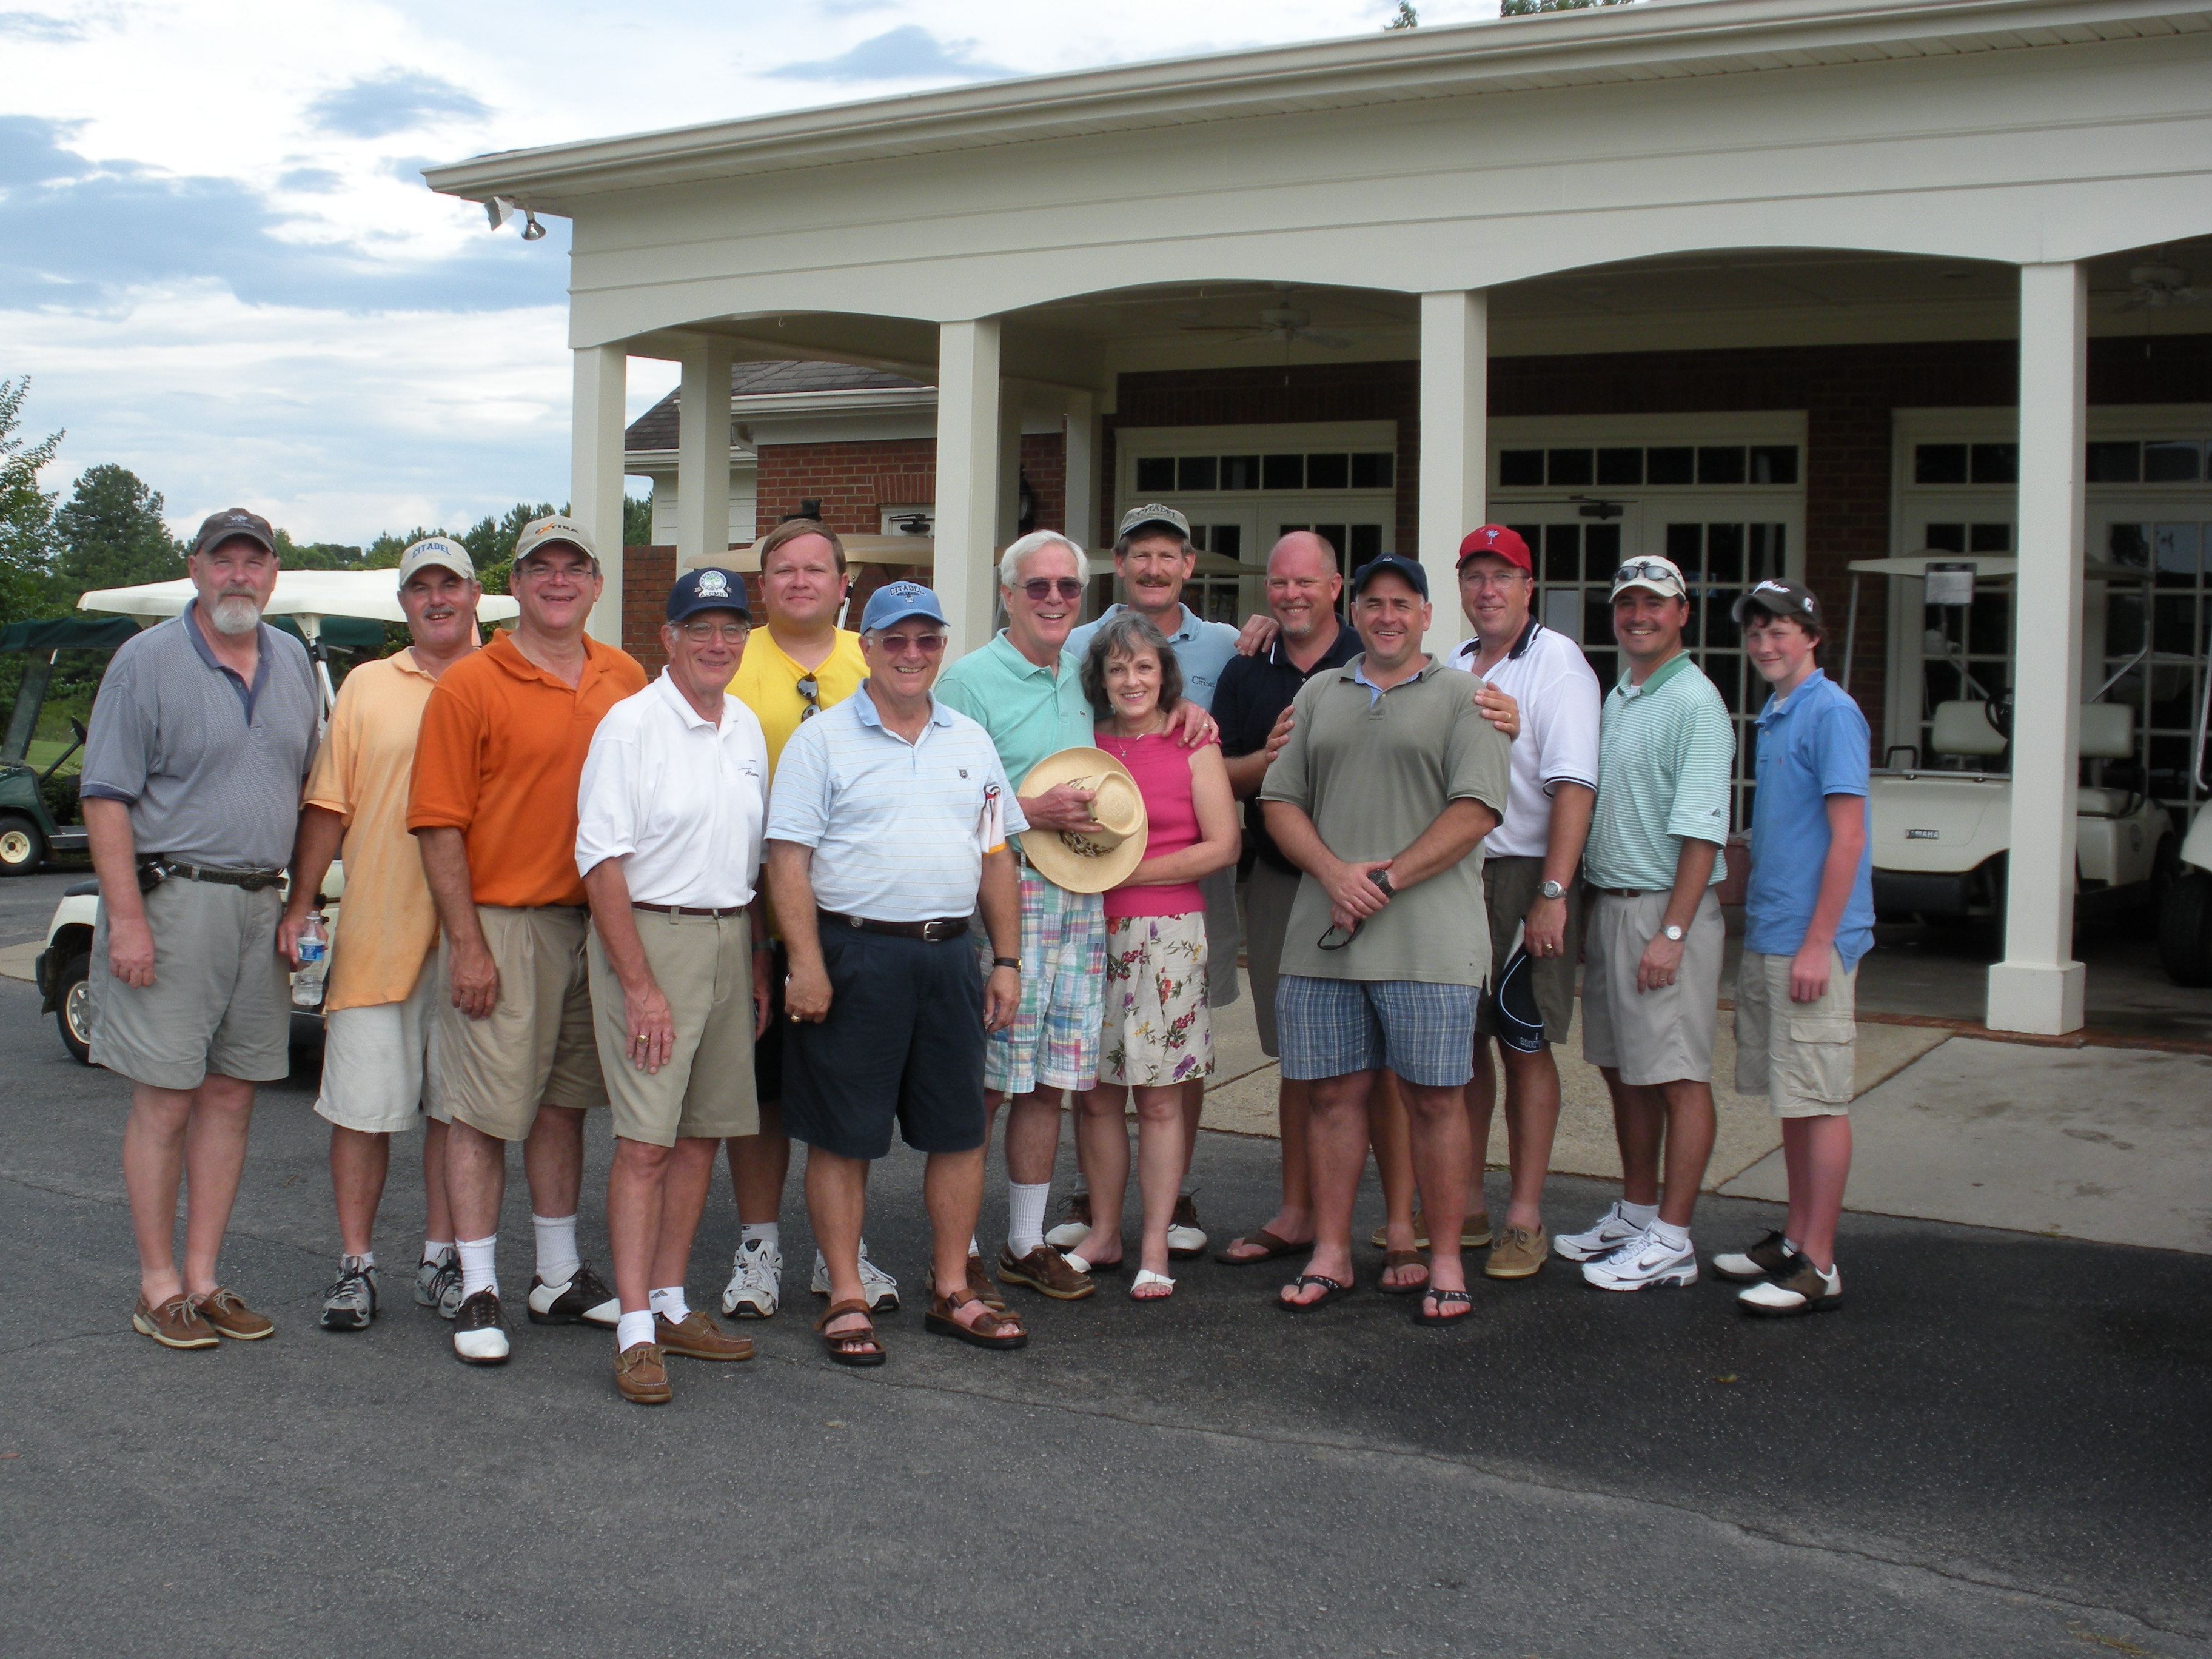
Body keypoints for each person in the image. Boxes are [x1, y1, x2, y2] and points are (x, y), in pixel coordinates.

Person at [936, 530, 1212, 1303]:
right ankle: (957, 1252)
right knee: (988, 1083)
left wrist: (1186, 710)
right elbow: (938, 799)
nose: (1055, 599)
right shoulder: (969, 682)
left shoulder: (1080, 678)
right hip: (1005, 899)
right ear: (1007, 595)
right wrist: (1030, 809)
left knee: (1048, 1082)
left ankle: (1025, 1242)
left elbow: (1140, 707)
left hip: (1081, 901)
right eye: (1038, 586)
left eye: (1068, 588)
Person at [765, 581, 1031, 1365]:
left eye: (928, 640)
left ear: (941, 648)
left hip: (949, 957)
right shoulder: (820, 741)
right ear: (869, 647)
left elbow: (996, 857)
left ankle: (952, 1288)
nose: (912, 655)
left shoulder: (970, 742)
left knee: (959, 1131)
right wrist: (806, 964)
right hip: (855, 956)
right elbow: (787, 861)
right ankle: (846, 1295)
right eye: (896, 640)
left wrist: (1006, 960)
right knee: (841, 1136)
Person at [408, 515, 646, 1364]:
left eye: (573, 567)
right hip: (504, 922)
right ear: (514, 585)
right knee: (481, 1111)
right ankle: (477, 1285)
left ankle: (556, 1275)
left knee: (563, 1103)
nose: (557, 581)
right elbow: (438, 825)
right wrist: (467, 943)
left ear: (596, 583)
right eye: (540, 567)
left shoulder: (625, 676)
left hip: (598, 922)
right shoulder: (471, 683)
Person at [82, 508, 319, 1349]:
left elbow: (308, 795)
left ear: (273, 575)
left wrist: (301, 905)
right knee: (166, 1099)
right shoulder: (145, 662)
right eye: (224, 561)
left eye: (254, 562)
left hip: (261, 904)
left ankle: (205, 1279)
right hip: (173, 901)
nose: (239, 577)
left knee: (230, 1096)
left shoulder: (292, 662)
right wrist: (127, 921)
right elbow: (105, 798)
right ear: (195, 569)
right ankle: (158, 1287)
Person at [1259, 555, 1510, 1326]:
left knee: (1436, 1102)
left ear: (1428, 615)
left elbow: (1477, 809)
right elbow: (1279, 800)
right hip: (1324, 938)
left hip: (1431, 944)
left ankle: (1445, 1260)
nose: (1388, 616)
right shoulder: (1317, 694)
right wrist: (1335, 876)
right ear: (1355, 612)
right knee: (1332, 1098)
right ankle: (1331, 1253)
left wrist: (1384, 881)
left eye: (1403, 604)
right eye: (1374, 603)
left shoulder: (1469, 698)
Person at [577, 569, 770, 1404]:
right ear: (669, 638)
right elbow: (600, 863)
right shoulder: (631, 726)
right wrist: (641, 986)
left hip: (728, 936)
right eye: (701, 628)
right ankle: (633, 1330)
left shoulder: (747, 726)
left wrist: (755, 957)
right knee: (647, 1144)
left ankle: (669, 1302)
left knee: (699, 1138)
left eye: (732, 628)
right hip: (651, 938)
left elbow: (750, 859)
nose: (718, 643)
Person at [278, 537, 481, 1332]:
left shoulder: (503, 676)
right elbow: (328, 805)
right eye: (420, 587)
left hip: (478, 940)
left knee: (457, 1113)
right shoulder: (366, 685)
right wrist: (301, 905)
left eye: (449, 584)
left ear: (474, 594)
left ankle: (442, 1257)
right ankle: (356, 1265)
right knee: (362, 1111)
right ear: (404, 603)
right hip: (378, 934)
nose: (436, 598)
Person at [1209, 532, 1420, 1288]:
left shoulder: (1376, 655)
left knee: (1388, 1066)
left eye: (1307, 582)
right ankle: (1297, 1212)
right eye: (1280, 583)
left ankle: (1402, 1228)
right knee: (1304, 1060)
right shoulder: (1246, 668)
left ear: (1337, 590)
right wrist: (1267, 760)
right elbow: (1220, 777)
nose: (1292, 595)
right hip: (1283, 882)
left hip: (1380, 886)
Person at [718, 518, 900, 1322]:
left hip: (858, 917)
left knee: (842, 1087)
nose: (799, 581)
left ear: (843, 583)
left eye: (815, 569)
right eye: (783, 570)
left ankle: (840, 1248)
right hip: (750, 908)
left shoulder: (880, 656)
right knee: (759, 1092)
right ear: (763, 587)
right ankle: (758, 1246)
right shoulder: (730, 658)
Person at [1061, 503, 1250, 1258]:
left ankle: (1157, 1242)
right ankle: (1106, 1231)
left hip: (1169, 932)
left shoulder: (1194, 735)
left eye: (1145, 667)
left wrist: (1126, 869)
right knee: (1096, 1092)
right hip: (1090, 931)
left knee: (1164, 1093)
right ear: (1099, 676)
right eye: (1118, 668)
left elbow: (1224, 844)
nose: (1131, 678)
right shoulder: (1085, 741)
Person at [1555, 554, 1735, 1292]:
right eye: (1628, 603)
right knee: (1624, 1068)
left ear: (1682, 613)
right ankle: (1636, 1213)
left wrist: (1673, 933)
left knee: (1678, 1076)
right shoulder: (1622, 694)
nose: (1639, 616)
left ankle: (1673, 1240)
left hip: (1665, 912)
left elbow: (1703, 832)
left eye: (1655, 604)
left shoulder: (1695, 702)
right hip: (1613, 905)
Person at [1443, 526, 1601, 1279]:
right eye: (1475, 576)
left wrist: (1553, 894)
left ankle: (1525, 1218)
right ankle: (1467, 1206)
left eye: (1502, 576)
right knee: (1465, 1044)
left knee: (1524, 1044)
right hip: (1459, 875)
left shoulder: (1557, 663)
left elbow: (1575, 787)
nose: (1487, 591)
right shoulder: (1454, 663)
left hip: (1528, 872)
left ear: (1528, 586)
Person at [1715, 579, 1870, 1316]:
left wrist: (1818, 944)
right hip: (1772, 933)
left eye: (1779, 630)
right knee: (1795, 1098)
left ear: (1812, 636)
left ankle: (1820, 1265)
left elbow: (1849, 837)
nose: (1764, 644)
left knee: (1820, 1099)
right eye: (1756, 633)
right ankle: (1797, 1239)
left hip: (1812, 943)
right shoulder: (1778, 713)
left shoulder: (1831, 711)